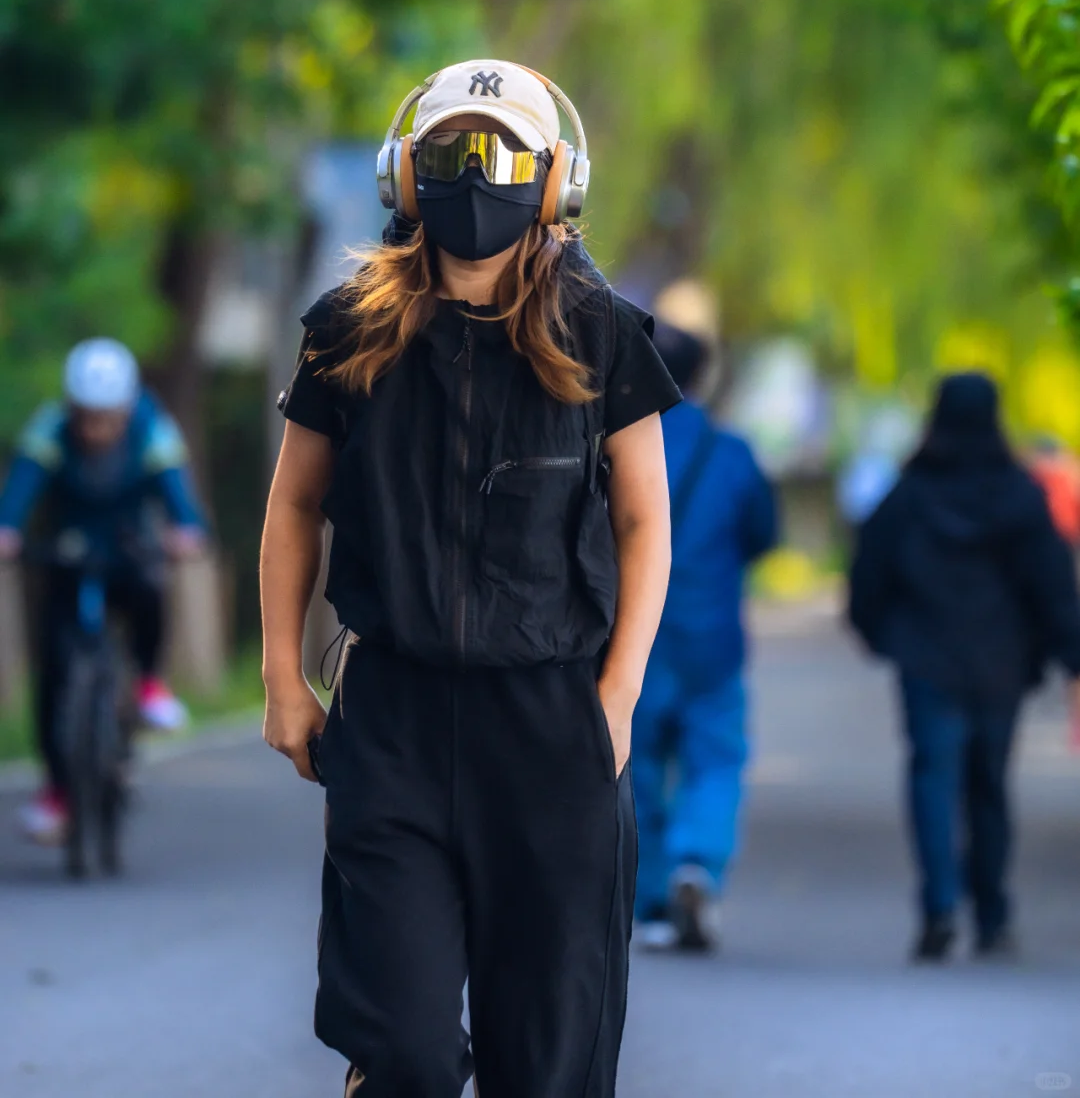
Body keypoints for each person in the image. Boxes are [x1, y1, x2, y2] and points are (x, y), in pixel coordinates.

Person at [261, 59, 678, 1098]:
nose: (476, 174)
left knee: (547, 1066)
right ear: (405, 174)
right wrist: (280, 675)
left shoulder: (604, 333)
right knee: (401, 1044)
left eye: (503, 153)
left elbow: (644, 521)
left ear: (554, 183)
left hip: (551, 725)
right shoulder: (348, 328)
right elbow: (293, 505)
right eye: (451, 151)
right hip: (393, 718)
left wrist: (615, 698)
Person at [849, 372, 1080, 961]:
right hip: (1001, 664)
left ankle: (939, 907)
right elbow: (1051, 584)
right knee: (989, 786)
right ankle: (994, 913)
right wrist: (1067, 652)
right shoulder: (1021, 496)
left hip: (927, 660)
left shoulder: (909, 495)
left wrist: (881, 636)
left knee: (931, 778)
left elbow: (869, 572)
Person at [0, 339, 207, 843]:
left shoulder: (151, 427)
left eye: (107, 417)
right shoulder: (49, 430)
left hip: (129, 545)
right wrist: (8, 529)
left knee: (148, 591)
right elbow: (23, 486)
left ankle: (149, 682)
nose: (96, 430)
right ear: (72, 410)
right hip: (69, 550)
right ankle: (56, 788)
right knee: (53, 668)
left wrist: (186, 529)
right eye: (86, 418)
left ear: (126, 408)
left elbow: (177, 490)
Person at [632, 322, 777, 952]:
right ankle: (698, 861)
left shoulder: (615, 440)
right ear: (700, 375)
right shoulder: (732, 452)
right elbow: (764, 534)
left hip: (632, 630)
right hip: (711, 633)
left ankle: (654, 901)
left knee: (631, 766)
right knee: (714, 757)